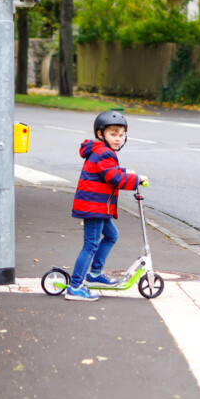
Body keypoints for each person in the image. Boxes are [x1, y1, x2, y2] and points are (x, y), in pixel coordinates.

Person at [66, 110, 148, 302]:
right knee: (90, 245)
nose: (118, 139)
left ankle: (95, 275)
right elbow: (115, 179)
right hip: (94, 207)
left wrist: (125, 170)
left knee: (112, 235)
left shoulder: (102, 151)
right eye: (113, 134)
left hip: (99, 206)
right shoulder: (103, 153)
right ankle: (75, 286)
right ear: (100, 134)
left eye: (121, 135)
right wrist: (136, 179)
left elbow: (108, 171)